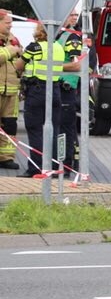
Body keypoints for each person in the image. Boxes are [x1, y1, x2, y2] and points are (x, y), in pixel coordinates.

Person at [21, 24, 78, 177]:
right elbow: (72, 64)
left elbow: (19, 66)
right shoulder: (58, 47)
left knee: (35, 130)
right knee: (54, 129)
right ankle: (53, 167)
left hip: (37, 90)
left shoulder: (34, 47)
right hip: (55, 91)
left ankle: (36, 168)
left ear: (39, 31)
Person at [55, 9, 85, 175]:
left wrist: (51, 66)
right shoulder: (59, 34)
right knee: (61, 126)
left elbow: (76, 64)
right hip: (57, 86)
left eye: (75, 15)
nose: (74, 17)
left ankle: (67, 164)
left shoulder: (72, 37)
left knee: (66, 127)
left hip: (66, 86)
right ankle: (63, 162)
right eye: (71, 14)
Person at [0, 9, 24, 171]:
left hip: (12, 91)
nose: (10, 25)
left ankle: (6, 158)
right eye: (7, 22)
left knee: (9, 125)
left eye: (11, 23)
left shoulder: (13, 40)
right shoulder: (10, 46)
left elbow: (22, 58)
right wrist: (11, 51)